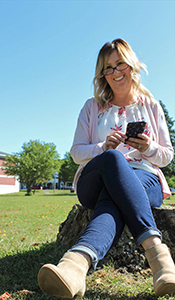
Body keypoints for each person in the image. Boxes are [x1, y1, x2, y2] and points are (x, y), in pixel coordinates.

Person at [38, 38, 175, 298]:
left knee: (113, 201)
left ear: (132, 65)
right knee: (114, 159)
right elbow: (76, 152)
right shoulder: (92, 107)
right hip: (96, 177)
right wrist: (102, 147)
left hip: (145, 178)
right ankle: (160, 261)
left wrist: (147, 148)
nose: (114, 73)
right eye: (107, 68)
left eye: (119, 64)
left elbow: (167, 156)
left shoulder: (151, 106)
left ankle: (75, 266)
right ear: (102, 74)